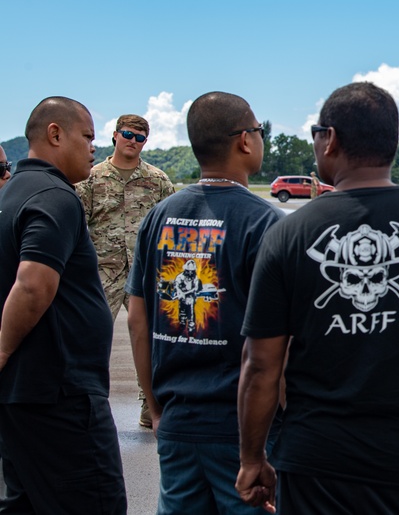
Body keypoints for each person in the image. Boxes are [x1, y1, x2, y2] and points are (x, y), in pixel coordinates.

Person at [236, 82, 399, 514]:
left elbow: (261, 363)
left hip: (315, 469)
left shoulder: (288, 233)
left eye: (316, 132)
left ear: (332, 139)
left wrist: (251, 459)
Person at [126, 92, 282, 514]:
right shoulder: (265, 223)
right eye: (259, 131)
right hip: (245, 430)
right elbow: (278, 341)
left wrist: (156, 407)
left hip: (177, 419)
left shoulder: (158, 217)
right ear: (245, 141)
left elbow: (138, 320)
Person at [0, 96, 127, 514]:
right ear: (55, 134)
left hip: (22, 397)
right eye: (88, 136)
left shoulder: (12, 193)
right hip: (60, 396)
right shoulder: (55, 196)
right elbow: (33, 286)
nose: (94, 146)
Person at [76, 113, 175, 428]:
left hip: (144, 275)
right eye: (127, 134)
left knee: (152, 341)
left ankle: (152, 408)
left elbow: (169, 229)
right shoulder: (92, 178)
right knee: (90, 340)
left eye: (140, 137)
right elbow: (78, 226)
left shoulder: (158, 181)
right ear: (115, 136)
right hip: (101, 273)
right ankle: (89, 409)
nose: (133, 141)